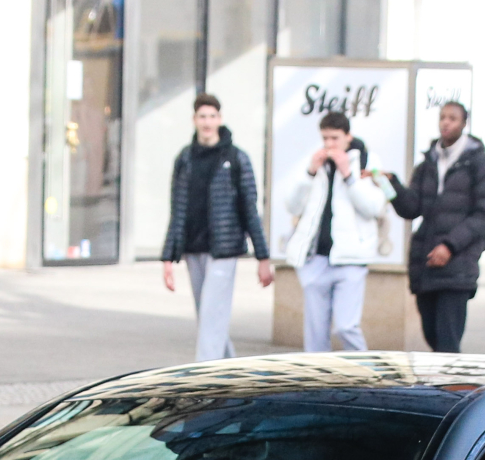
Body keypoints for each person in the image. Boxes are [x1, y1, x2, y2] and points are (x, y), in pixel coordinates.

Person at [159, 94, 272, 361]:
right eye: (202, 117)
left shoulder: (236, 158)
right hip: (192, 248)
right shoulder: (185, 158)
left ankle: (203, 385)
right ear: (194, 120)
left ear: (220, 119)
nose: (207, 122)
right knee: (209, 318)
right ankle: (232, 374)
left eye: (212, 116)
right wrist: (167, 258)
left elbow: (250, 208)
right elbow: (177, 209)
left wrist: (263, 256)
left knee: (212, 317)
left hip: (224, 250)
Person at [388, 100, 485, 352]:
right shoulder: (428, 162)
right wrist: (391, 185)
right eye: (442, 117)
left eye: (452, 118)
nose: (446, 123)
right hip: (426, 262)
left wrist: (450, 245)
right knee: (431, 335)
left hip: (457, 265)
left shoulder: (479, 163)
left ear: (464, 123)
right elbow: (411, 208)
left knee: (448, 342)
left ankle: (451, 389)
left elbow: (484, 213)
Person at [275, 110, 390, 353]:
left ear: (348, 137)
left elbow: (374, 207)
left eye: (334, 138)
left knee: (346, 327)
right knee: (315, 334)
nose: (329, 144)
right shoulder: (315, 163)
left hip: (350, 258)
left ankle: (367, 375)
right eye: (325, 138)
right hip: (315, 258)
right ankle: (317, 386)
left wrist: (348, 175)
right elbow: (292, 205)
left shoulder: (368, 162)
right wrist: (309, 173)